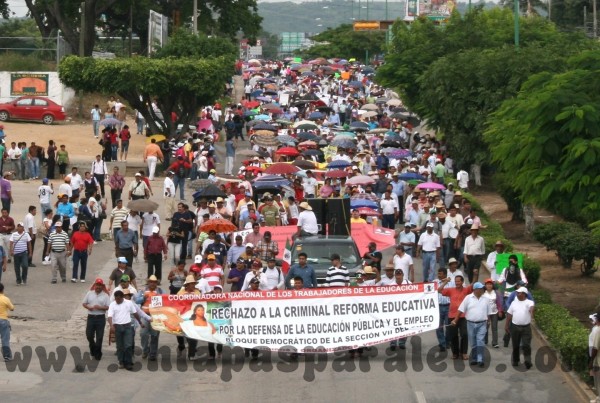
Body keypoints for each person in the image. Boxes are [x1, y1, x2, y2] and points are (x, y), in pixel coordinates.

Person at [453, 282, 490, 367]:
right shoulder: (468, 298)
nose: (482, 290)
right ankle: (474, 358)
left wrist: (488, 321)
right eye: (480, 288)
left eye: (482, 288)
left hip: (482, 323)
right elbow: (461, 309)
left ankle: (480, 359)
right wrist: (455, 320)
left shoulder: (486, 299)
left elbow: (489, 312)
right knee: (473, 342)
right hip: (470, 323)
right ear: (475, 289)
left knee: (480, 341)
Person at [439, 275, 472, 360]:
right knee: (453, 335)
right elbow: (439, 290)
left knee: (464, 334)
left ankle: (464, 352)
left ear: (462, 282)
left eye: (458, 281)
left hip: (463, 316)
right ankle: (455, 353)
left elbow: (473, 285)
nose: (457, 283)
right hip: (452, 316)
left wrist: (475, 275)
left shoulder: (466, 290)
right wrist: (445, 282)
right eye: (456, 281)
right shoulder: (451, 290)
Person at [108, 290, 143, 371]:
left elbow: (135, 313)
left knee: (128, 345)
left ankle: (128, 362)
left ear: (122, 297)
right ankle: (121, 361)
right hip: (118, 327)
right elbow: (110, 316)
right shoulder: (112, 304)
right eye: (116, 299)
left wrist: (140, 322)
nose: (117, 301)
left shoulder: (129, 303)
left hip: (127, 326)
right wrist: (111, 325)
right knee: (120, 346)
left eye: (119, 299)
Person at [135, 275, 164, 361]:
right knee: (143, 333)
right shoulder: (143, 291)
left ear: (156, 283)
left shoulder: (160, 291)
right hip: (145, 315)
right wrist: (143, 298)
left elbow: (166, 300)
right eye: (151, 282)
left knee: (155, 335)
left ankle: (153, 353)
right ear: (148, 282)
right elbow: (136, 300)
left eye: (154, 282)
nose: (152, 284)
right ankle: (145, 350)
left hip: (156, 315)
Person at [505, 286, 535, 369]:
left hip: (526, 327)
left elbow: (531, 308)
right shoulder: (514, 303)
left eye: (519, 293)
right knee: (515, 345)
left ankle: (527, 360)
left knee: (526, 344)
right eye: (517, 293)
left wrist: (531, 312)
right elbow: (509, 314)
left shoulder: (529, 302)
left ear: (524, 294)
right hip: (515, 327)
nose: (517, 294)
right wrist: (506, 325)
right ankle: (515, 360)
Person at [82, 278, 110, 360]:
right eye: (97, 285)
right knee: (89, 335)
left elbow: (108, 307)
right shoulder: (89, 293)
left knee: (99, 337)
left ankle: (98, 353)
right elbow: (84, 303)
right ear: (95, 285)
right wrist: (88, 307)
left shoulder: (105, 295)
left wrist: (100, 307)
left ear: (102, 286)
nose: (98, 287)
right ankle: (93, 347)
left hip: (100, 318)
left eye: (100, 285)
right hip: (91, 317)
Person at [482, 278, 504, 348]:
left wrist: (500, 311)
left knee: (494, 328)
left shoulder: (496, 292)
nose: (489, 286)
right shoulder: (482, 293)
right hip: (485, 313)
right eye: (487, 284)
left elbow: (499, 303)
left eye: (490, 284)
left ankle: (495, 342)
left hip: (494, 312)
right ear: (485, 285)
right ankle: (485, 341)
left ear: (492, 285)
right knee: (485, 327)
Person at [10, 222, 32, 286]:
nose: (19, 228)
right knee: (17, 268)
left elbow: (29, 243)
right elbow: (11, 243)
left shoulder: (26, 234)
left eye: (21, 226)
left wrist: (30, 252)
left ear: (23, 228)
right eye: (18, 226)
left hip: (24, 253)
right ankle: (18, 280)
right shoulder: (14, 234)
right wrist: (11, 251)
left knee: (25, 265)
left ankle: (24, 278)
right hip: (16, 253)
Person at [0, 282, 14, 361]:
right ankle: (7, 356)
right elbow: (12, 308)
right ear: (2, 290)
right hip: (3, 320)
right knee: (5, 339)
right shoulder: (5, 299)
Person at [589, 311, 600, 403]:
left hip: (598, 362)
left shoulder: (598, 331)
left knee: (598, 382)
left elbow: (595, 348)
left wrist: (591, 361)